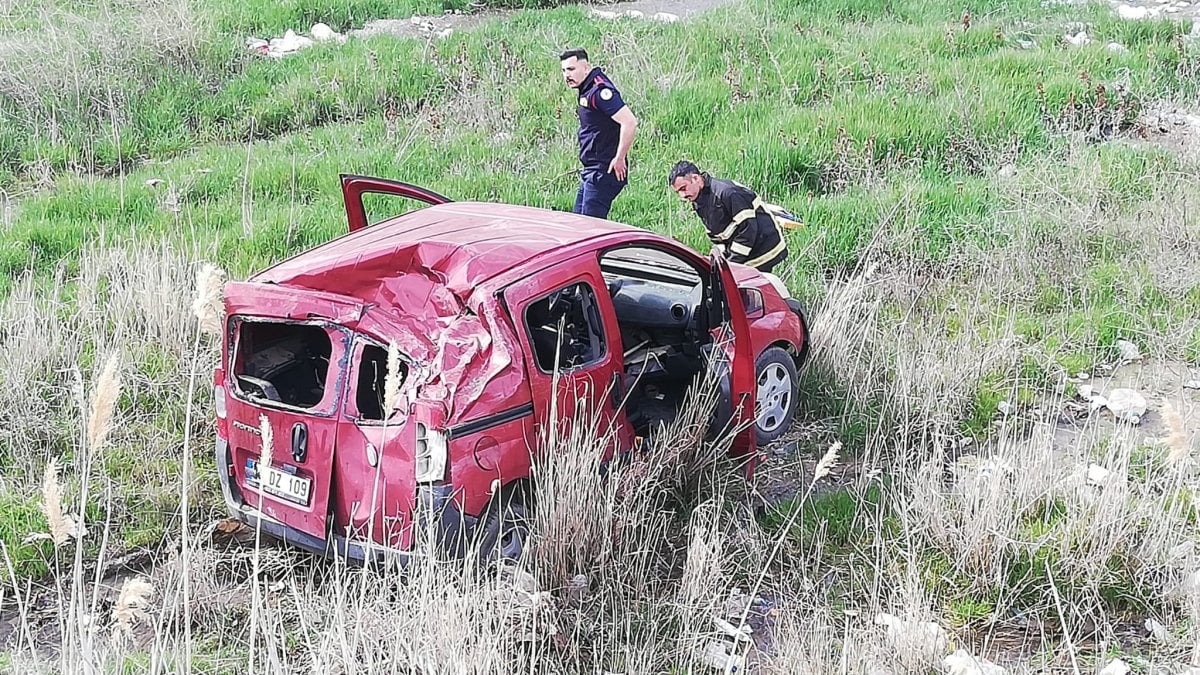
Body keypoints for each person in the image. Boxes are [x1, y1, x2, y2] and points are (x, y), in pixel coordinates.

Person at [667, 161, 802, 274]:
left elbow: (748, 230)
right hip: (746, 250)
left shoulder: (727, 193)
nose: (682, 196)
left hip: (764, 247)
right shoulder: (699, 199)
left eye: (683, 188)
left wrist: (732, 263)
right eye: (678, 192)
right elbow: (718, 233)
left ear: (696, 178)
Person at [559, 47, 638, 219]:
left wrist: (619, 158)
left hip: (603, 170)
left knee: (590, 230)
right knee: (577, 225)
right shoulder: (586, 88)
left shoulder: (600, 92)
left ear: (586, 67)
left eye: (571, 69)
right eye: (564, 70)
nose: (567, 75)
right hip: (591, 170)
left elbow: (629, 122)